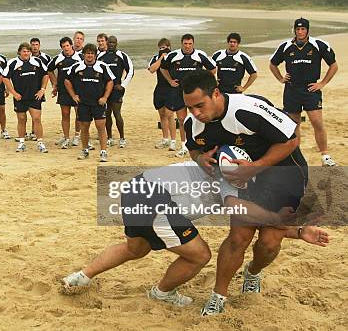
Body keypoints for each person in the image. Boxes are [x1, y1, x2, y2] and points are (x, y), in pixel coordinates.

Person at [61, 160, 329, 308]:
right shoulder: (235, 177)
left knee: (136, 248)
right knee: (199, 255)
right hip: (158, 200)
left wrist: (298, 231)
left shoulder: (226, 162)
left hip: (136, 188)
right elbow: (251, 216)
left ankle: (81, 277)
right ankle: (161, 293)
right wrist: (298, 230)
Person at [180, 69, 312, 316]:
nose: (195, 113)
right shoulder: (194, 124)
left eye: (199, 105)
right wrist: (200, 159)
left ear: (216, 93)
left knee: (269, 243)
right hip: (242, 180)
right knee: (239, 237)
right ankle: (219, 295)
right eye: (190, 108)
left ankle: (253, 272)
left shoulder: (248, 109)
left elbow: (293, 138)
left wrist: (256, 167)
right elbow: (194, 149)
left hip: (284, 174)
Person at [269, 17, 339, 167]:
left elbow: (333, 65)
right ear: (294, 30)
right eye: (298, 29)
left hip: (310, 89)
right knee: (294, 124)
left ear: (307, 30)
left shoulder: (318, 45)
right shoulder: (286, 46)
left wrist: (322, 83)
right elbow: (272, 64)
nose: (300, 32)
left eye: (303, 29)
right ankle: (297, 154)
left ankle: (325, 155)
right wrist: (281, 78)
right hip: (292, 90)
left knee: (317, 122)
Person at [160, 33, 216, 157]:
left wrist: (203, 82)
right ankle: (185, 145)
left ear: (193, 44)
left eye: (190, 43)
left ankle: (201, 143)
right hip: (179, 91)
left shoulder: (200, 55)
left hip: (195, 93)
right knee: (182, 120)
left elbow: (212, 69)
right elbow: (163, 68)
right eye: (185, 43)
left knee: (199, 117)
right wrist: (170, 80)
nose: (187, 46)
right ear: (181, 43)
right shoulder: (173, 55)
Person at [64, 43, 114, 162]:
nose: (90, 55)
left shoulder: (102, 66)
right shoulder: (77, 66)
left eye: (92, 53)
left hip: (98, 103)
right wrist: (73, 95)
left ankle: (103, 152)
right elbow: (66, 80)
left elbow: (110, 82)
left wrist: (105, 97)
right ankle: (85, 150)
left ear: (95, 55)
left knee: (101, 127)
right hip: (83, 103)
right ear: (84, 54)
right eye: (87, 53)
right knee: (84, 128)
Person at [2, 42, 50, 153]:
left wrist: (42, 89)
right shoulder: (13, 63)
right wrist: (13, 92)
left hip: (34, 96)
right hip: (20, 97)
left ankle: (40, 143)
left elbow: (46, 75)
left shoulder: (37, 61)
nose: (26, 53)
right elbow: (5, 78)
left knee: (37, 119)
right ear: (19, 52)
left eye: (28, 51)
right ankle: (22, 143)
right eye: (24, 51)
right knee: (22, 119)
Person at [97, 35, 134, 148]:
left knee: (117, 114)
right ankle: (109, 138)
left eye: (114, 42)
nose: (112, 44)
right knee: (106, 114)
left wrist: (123, 85)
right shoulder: (100, 56)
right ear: (107, 43)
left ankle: (122, 138)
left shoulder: (122, 56)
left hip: (117, 90)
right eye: (110, 42)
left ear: (116, 43)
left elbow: (131, 71)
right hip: (103, 91)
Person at [47, 37, 82, 149]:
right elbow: (49, 70)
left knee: (79, 114)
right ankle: (66, 138)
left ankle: (77, 135)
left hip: (77, 90)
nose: (66, 48)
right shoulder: (58, 58)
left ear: (71, 45)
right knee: (65, 114)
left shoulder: (80, 57)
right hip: (63, 90)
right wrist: (55, 84)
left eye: (67, 45)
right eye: (63, 46)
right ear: (61, 47)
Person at [148, 38, 176, 150]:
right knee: (162, 115)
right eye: (160, 48)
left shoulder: (174, 56)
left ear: (169, 47)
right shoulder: (156, 58)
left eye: (164, 48)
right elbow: (151, 69)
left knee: (170, 114)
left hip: (171, 88)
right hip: (160, 88)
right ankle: (165, 139)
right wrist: (161, 58)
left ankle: (173, 140)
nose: (162, 50)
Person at [27, 38, 52, 141]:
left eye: (36, 44)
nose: (34, 47)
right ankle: (26, 132)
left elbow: (50, 71)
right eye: (32, 45)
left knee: (36, 110)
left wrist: (52, 85)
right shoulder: (26, 57)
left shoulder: (46, 58)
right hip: (26, 88)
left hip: (39, 88)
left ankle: (34, 132)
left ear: (39, 45)